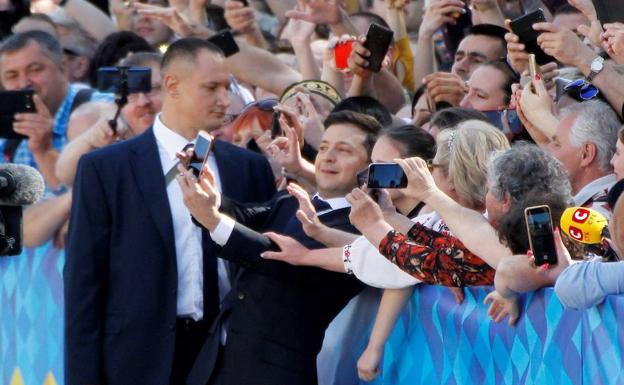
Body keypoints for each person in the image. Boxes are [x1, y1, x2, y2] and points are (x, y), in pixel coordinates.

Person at [64, 38, 276, 385]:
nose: (224, 99)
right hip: (138, 358)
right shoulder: (105, 168)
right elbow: (84, 284)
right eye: (211, 87)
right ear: (172, 85)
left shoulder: (250, 169)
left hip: (231, 355)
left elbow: (265, 266)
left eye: (227, 87)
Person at [179, 111, 380, 385]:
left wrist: (212, 218)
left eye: (344, 150)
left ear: (372, 168)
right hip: (219, 361)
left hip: (273, 373)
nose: (328, 157)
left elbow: (280, 259)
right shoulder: (293, 198)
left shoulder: (360, 229)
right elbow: (244, 216)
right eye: (323, 147)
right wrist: (209, 196)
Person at [0, 30, 110, 189]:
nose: (23, 83)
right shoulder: (5, 135)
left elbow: (91, 198)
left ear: (63, 67)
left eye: (34, 69)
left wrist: (44, 150)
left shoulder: (100, 108)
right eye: (12, 76)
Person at [547, 100, 620, 218]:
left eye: (557, 144)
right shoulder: (615, 197)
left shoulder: (593, 218)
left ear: (586, 154)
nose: (548, 149)